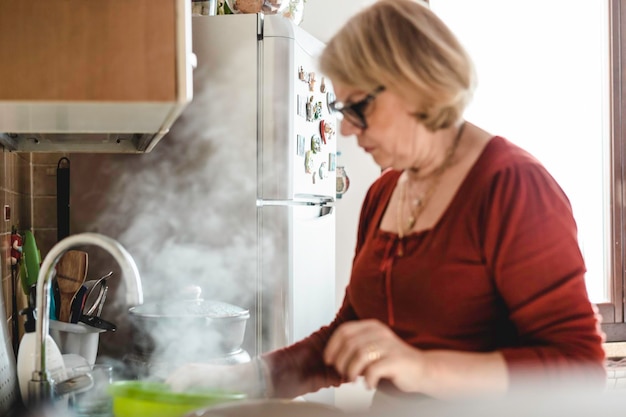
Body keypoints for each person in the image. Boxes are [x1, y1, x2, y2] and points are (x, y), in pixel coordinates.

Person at [166, 0, 606, 410]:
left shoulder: (512, 186)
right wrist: (239, 378)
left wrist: (423, 367)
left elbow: (579, 367)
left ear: (416, 86)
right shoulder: (384, 192)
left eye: (356, 107)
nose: (345, 131)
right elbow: (343, 341)